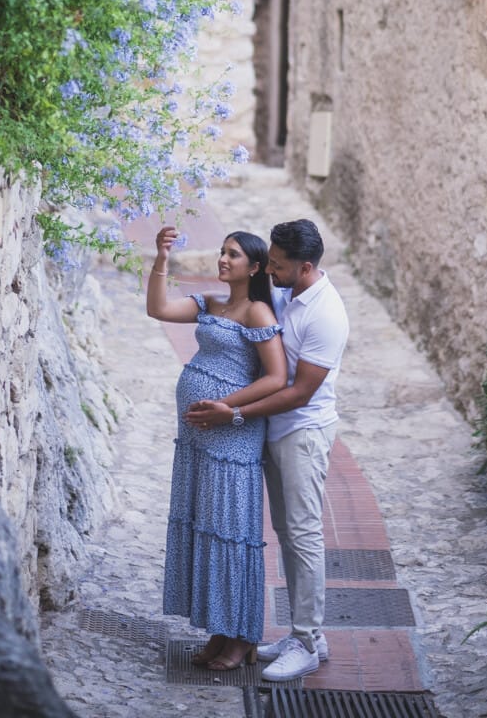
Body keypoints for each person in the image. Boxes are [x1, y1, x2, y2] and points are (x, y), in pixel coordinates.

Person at [185, 218, 349, 682]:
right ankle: (307, 635)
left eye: (278, 266)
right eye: (270, 262)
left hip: (302, 432)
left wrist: (233, 414)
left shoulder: (327, 314)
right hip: (271, 429)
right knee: (285, 531)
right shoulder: (285, 290)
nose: (270, 273)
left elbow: (299, 392)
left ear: (306, 266)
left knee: (302, 534)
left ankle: (307, 641)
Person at [147, 224, 287, 671]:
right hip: (196, 438)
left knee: (231, 532)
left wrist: (223, 405)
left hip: (232, 436)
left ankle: (242, 637)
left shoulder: (258, 313)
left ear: (256, 266)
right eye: (222, 253)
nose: (223, 260)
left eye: (233, 255)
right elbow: (158, 309)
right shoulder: (211, 302)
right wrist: (161, 259)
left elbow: (275, 378)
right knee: (205, 528)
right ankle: (217, 631)